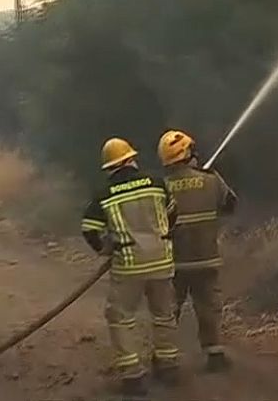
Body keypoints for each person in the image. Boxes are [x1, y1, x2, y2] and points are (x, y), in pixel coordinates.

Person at [81, 138, 180, 396]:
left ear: (110, 167)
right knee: (164, 314)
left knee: (120, 317)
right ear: (130, 159)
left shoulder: (104, 194)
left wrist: (104, 248)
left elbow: (89, 228)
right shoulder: (157, 183)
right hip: (161, 261)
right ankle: (168, 366)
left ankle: (133, 375)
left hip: (129, 266)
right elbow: (172, 214)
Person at [157, 129, 238, 372]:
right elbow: (230, 205)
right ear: (187, 153)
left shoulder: (160, 186)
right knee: (208, 307)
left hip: (173, 263)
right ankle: (214, 355)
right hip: (205, 259)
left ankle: (164, 359)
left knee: (168, 311)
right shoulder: (211, 180)